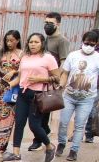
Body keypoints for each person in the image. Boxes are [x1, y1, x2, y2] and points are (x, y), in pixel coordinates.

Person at [1, 33, 60, 162]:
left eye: (36, 42)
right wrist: (10, 84)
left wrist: (41, 79)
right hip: (23, 93)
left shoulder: (48, 58)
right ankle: (16, 154)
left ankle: (49, 146)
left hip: (37, 95)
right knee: (19, 123)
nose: (33, 44)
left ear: (42, 43)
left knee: (34, 125)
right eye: (31, 42)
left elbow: (57, 78)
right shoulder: (25, 57)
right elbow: (21, 77)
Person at [56, 30, 99, 161]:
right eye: (86, 43)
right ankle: (61, 143)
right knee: (63, 122)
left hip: (87, 99)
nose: (89, 46)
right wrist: (61, 86)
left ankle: (74, 150)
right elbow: (65, 73)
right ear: (82, 42)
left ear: (96, 44)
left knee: (79, 125)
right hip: (69, 96)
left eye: (92, 44)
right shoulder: (73, 56)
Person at [29, 12, 71, 151]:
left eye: (50, 23)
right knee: (35, 111)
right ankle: (43, 134)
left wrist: (59, 80)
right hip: (37, 81)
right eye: (45, 22)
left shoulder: (62, 40)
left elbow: (64, 62)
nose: (47, 25)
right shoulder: (44, 39)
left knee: (43, 111)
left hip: (50, 82)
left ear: (58, 24)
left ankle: (38, 140)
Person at [0, 30, 23, 155]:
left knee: (7, 118)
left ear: (17, 40)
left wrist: (14, 72)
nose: (9, 43)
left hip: (12, 91)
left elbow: (24, 73)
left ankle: (1, 148)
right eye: (7, 40)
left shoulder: (22, 55)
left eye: (11, 40)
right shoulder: (1, 53)